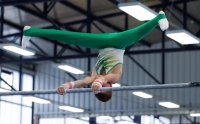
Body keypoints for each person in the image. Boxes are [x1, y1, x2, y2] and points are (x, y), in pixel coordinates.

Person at [22, 11, 169, 102]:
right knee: (136, 35)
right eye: (105, 87)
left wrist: (65, 86)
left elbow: (80, 82)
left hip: (101, 43)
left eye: (99, 88)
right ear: (111, 86)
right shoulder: (114, 77)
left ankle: (30, 31)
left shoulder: (93, 79)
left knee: (70, 37)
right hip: (119, 42)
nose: (102, 85)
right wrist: (99, 83)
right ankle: (158, 18)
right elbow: (104, 79)